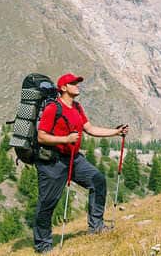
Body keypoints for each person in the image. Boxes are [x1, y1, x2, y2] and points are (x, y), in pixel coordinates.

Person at [33, 72, 129, 253]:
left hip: (73, 159)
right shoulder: (53, 108)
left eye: (77, 82)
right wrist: (65, 139)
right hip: (52, 161)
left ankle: (96, 227)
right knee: (47, 202)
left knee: (98, 180)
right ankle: (42, 245)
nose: (77, 85)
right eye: (73, 83)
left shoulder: (77, 107)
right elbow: (41, 136)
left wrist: (116, 132)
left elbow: (90, 129)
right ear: (63, 88)